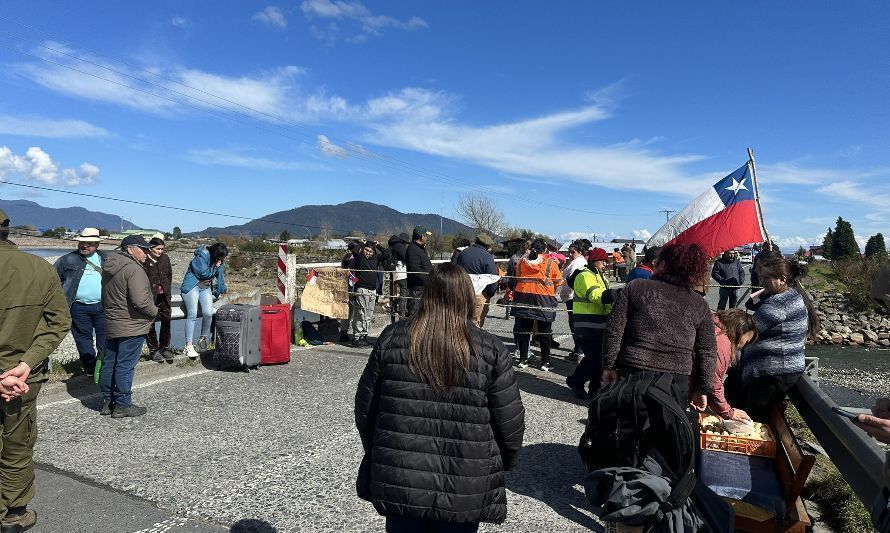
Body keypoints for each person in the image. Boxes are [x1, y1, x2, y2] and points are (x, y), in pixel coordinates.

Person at [354, 263, 525, 532]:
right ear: (468, 297)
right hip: (465, 478)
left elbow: (365, 408)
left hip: (402, 474)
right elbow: (510, 421)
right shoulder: (491, 349)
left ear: (428, 294)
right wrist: (503, 462)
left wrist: (379, 450)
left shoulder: (392, 338)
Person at [0, 208, 71, 533]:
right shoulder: (39, 268)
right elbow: (59, 322)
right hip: (22, 379)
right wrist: (25, 365)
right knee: (17, 444)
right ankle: (14, 514)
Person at [602, 242, 717, 407]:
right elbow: (707, 350)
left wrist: (609, 366)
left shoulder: (637, 287)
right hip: (676, 380)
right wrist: (702, 388)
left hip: (632, 372)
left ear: (663, 265)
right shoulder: (699, 304)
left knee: (627, 426)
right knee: (666, 429)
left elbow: (614, 330)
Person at [739, 256, 818, 420]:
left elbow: (749, 330)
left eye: (767, 278)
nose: (762, 282)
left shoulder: (778, 303)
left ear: (782, 279)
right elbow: (750, 304)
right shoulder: (790, 295)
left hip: (772, 371)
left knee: (757, 419)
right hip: (782, 369)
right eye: (761, 278)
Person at [99, 235, 158, 418]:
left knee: (110, 362)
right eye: (143, 249)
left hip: (113, 321)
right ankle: (123, 404)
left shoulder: (110, 267)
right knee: (125, 365)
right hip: (132, 324)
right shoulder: (134, 269)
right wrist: (154, 311)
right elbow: (140, 302)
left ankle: (108, 401)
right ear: (131, 249)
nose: (146, 253)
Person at [53, 227, 107, 376]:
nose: (84, 245)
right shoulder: (67, 259)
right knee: (83, 340)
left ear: (97, 244)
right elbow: (52, 279)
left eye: (89, 243)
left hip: (104, 306)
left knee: (105, 339)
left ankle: (102, 367)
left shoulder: (107, 259)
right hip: (77, 307)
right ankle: (90, 368)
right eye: (82, 242)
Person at [565, 248, 613, 398]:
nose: (605, 264)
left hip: (599, 324)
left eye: (607, 261)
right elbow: (596, 296)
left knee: (600, 359)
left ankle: (595, 388)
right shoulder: (585, 276)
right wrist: (622, 294)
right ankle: (576, 381)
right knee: (593, 357)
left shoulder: (601, 276)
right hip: (586, 325)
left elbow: (607, 303)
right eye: (602, 260)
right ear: (593, 261)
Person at [509, 239, 563, 371]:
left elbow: (516, 276)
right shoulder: (550, 262)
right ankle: (545, 362)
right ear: (545, 249)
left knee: (524, 330)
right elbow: (558, 281)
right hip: (544, 298)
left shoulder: (522, 261)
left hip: (523, 297)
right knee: (545, 331)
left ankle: (523, 359)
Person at [703, 309, 758, 421]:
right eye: (747, 340)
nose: (744, 345)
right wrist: (728, 412)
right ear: (741, 330)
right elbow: (713, 382)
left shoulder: (713, 326)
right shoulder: (721, 343)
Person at [180, 242, 228, 359]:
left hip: (205, 287)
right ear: (214, 254)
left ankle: (203, 338)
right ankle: (189, 346)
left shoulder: (217, 259)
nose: (222, 260)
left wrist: (222, 288)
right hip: (192, 285)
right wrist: (216, 267)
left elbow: (219, 275)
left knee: (208, 313)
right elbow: (204, 273)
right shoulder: (201, 256)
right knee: (192, 314)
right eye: (220, 257)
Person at [349, 241, 391, 347]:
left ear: (373, 252)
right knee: (360, 313)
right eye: (366, 250)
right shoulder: (359, 257)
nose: (368, 252)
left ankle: (364, 335)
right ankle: (356, 337)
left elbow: (387, 253)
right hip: (362, 289)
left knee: (368, 314)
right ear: (363, 250)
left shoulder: (376, 258)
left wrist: (378, 245)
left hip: (372, 290)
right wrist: (362, 244)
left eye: (370, 251)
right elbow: (354, 250)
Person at [456, 233, 499, 327]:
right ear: (487, 245)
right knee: (475, 324)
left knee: (460, 321)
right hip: (479, 294)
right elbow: (493, 278)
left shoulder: (463, 253)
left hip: (461, 292)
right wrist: (489, 294)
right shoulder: (487, 256)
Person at [559, 241, 590, 363]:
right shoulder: (576, 262)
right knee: (574, 324)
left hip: (574, 297)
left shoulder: (579, 263)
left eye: (573, 252)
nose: (570, 254)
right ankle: (578, 350)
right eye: (569, 252)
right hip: (570, 296)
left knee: (575, 324)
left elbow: (573, 280)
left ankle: (579, 351)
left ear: (580, 252)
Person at [143, 237, 173, 363]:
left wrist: (166, 288)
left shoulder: (165, 258)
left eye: (162, 249)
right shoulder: (144, 260)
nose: (160, 251)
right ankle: (153, 350)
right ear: (150, 248)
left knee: (167, 321)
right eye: (158, 249)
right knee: (151, 324)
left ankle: (164, 347)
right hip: (151, 296)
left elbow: (169, 275)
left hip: (164, 296)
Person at [405, 226, 433, 317]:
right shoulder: (413, 249)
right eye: (426, 236)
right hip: (417, 288)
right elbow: (415, 269)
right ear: (421, 236)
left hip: (423, 287)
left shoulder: (420, 248)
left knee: (423, 314)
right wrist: (428, 280)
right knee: (415, 314)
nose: (427, 238)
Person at [387, 233, 410, 319]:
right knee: (404, 296)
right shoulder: (400, 246)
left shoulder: (393, 245)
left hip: (395, 273)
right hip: (402, 273)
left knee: (404, 295)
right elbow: (405, 258)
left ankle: (390, 305)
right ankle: (402, 317)